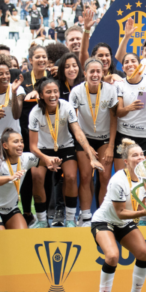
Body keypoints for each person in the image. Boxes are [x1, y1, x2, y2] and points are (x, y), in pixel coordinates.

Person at [91, 138, 146, 292]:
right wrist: (144, 212)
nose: (140, 157)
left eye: (142, 154)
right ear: (126, 161)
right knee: (113, 256)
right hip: (105, 221)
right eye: (135, 155)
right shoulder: (118, 180)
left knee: (144, 253)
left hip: (124, 222)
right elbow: (120, 213)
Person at [29, 78, 102, 228]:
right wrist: (46, 159)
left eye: (55, 91)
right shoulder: (35, 112)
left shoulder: (66, 106)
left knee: (70, 176)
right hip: (43, 150)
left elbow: (78, 132)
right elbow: (33, 147)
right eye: (48, 92)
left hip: (65, 147)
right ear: (41, 95)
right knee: (36, 176)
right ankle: (42, 220)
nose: (53, 95)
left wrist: (90, 155)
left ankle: (70, 218)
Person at [0, 128, 61, 230]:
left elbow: (45, 162)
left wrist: (52, 163)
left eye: (21, 141)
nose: (20, 144)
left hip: (11, 209)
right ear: (5, 146)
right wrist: (11, 177)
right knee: (1, 238)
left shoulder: (26, 158)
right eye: (15, 142)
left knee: (22, 237)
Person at [70, 58, 118, 225]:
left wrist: (111, 146)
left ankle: (103, 215)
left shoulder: (110, 90)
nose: (95, 74)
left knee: (104, 177)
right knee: (85, 176)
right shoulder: (76, 92)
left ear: (103, 73)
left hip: (104, 139)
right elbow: (74, 122)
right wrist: (87, 147)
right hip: (84, 138)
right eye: (92, 71)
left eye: (98, 71)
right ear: (85, 74)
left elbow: (114, 119)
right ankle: (85, 217)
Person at [114, 53, 146, 171]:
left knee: (143, 176)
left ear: (139, 65)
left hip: (145, 136)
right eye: (126, 62)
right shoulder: (120, 84)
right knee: (122, 175)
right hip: (123, 134)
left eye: (133, 61)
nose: (130, 64)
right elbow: (119, 112)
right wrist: (129, 108)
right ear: (122, 68)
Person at [18, 45, 49, 226]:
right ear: (30, 60)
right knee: (27, 174)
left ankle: (44, 214)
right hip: (25, 133)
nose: (41, 60)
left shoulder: (52, 79)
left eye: (44, 56)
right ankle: (27, 213)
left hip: (47, 135)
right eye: (37, 57)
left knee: (44, 175)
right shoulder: (22, 80)